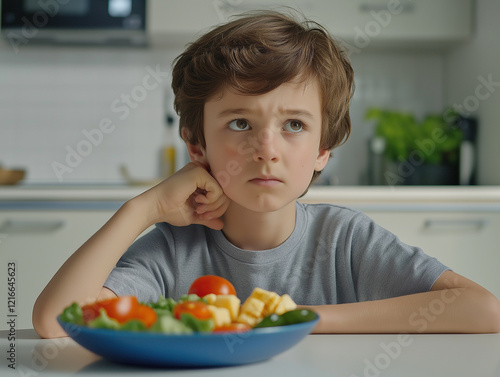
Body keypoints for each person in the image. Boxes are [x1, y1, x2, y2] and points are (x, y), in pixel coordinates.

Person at [33, 11, 500, 338]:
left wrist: (299, 318)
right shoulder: (173, 251)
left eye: (293, 125)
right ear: (197, 146)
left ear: (323, 150)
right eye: (240, 124)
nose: (267, 151)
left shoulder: (345, 240)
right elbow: (55, 323)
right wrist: (142, 209)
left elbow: (482, 308)